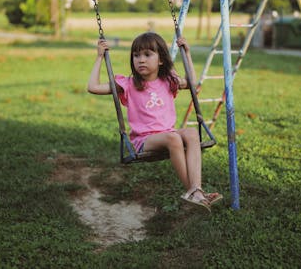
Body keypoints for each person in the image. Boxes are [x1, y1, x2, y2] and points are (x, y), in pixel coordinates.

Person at [88, 32, 222, 211]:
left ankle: (197, 189)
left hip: (167, 134)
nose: (141, 60)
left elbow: (192, 83)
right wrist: (99, 57)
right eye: (136, 55)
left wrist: (187, 54)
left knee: (190, 133)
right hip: (143, 140)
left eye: (147, 55)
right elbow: (93, 87)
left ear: (160, 60)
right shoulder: (127, 84)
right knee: (173, 138)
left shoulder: (168, 81)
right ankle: (191, 191)